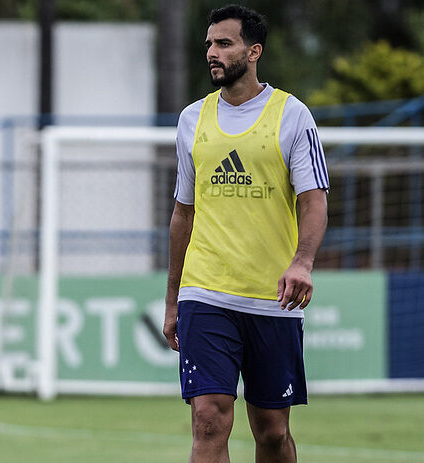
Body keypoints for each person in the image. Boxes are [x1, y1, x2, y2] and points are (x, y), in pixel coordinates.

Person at [163, 4, 329, 463]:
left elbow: (313, 200)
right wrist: (173, 298)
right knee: (209, 419)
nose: (212, 53)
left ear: (253, 51)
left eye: (224, 43)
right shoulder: (191, 120)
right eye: (209, 45)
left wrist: (302, 262)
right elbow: (183, 213)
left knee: (272, 433)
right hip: (206, 292)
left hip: (271, 297)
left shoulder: (292, 115)